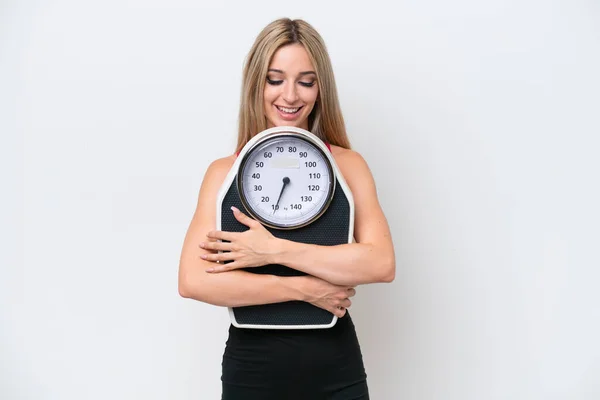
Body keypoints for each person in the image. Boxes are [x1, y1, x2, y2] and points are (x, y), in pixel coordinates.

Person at [178, 17, 395, 400]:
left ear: (321, 88)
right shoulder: (223, 174)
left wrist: (273, 250)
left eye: (306, 81)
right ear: (255, 85)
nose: (290, 96)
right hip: (252, 371)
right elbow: (194, 281)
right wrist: (302, 289)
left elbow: (380, 263)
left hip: (335, 369)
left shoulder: (348, 165)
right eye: (275, 79)